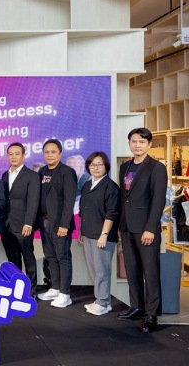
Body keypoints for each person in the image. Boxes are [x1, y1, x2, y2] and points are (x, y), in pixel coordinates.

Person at [117, 128, 167, 333]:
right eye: (134, 141)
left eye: (142, 142)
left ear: (149, 145)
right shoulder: (125, 167)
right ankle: (137, 307)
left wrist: (150, 228)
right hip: (127, 227)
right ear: (129, 143)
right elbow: (124, 198)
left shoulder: (156, 168)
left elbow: (158, 200)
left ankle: (152, 314)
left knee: (150, 271)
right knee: (132, 269)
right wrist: (120, 225)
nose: (137, 145)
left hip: (146, 228)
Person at [36, 139, 77, 308]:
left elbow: (69, 200)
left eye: (53, 152)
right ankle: (55, 288)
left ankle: (65, 294)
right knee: (50, 256)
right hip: (44, 221)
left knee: (63, 257)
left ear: (60, 153)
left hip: (60, 224)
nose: (50, 155)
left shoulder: (67, 172)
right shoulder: (42, 171)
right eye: (46, 152)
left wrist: (64, 225)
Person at [78, 151, 119, 316]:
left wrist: (104, 234)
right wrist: (81, 230)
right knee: (94, 270)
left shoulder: (110, 187)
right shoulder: (88, 184)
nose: (95, 167)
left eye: (99, 164)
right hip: (88, 233)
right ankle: (99, 300)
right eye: (92, 164)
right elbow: (83, 209)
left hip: (102, 236)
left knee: (102, 271)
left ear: (106, 166)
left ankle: (103, 302)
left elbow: (112, 213)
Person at [0, 142, 40, 297]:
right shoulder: (5, 175)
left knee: (28, 258)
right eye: (10, 154)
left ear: (24, 156)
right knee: (13, 260)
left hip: (23, 224)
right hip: (6, 224)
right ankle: (16, 289)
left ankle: (31, 291)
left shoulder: (32, 176)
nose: (14, 157)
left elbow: (33, 201)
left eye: (17, 154)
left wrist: (28, 223)